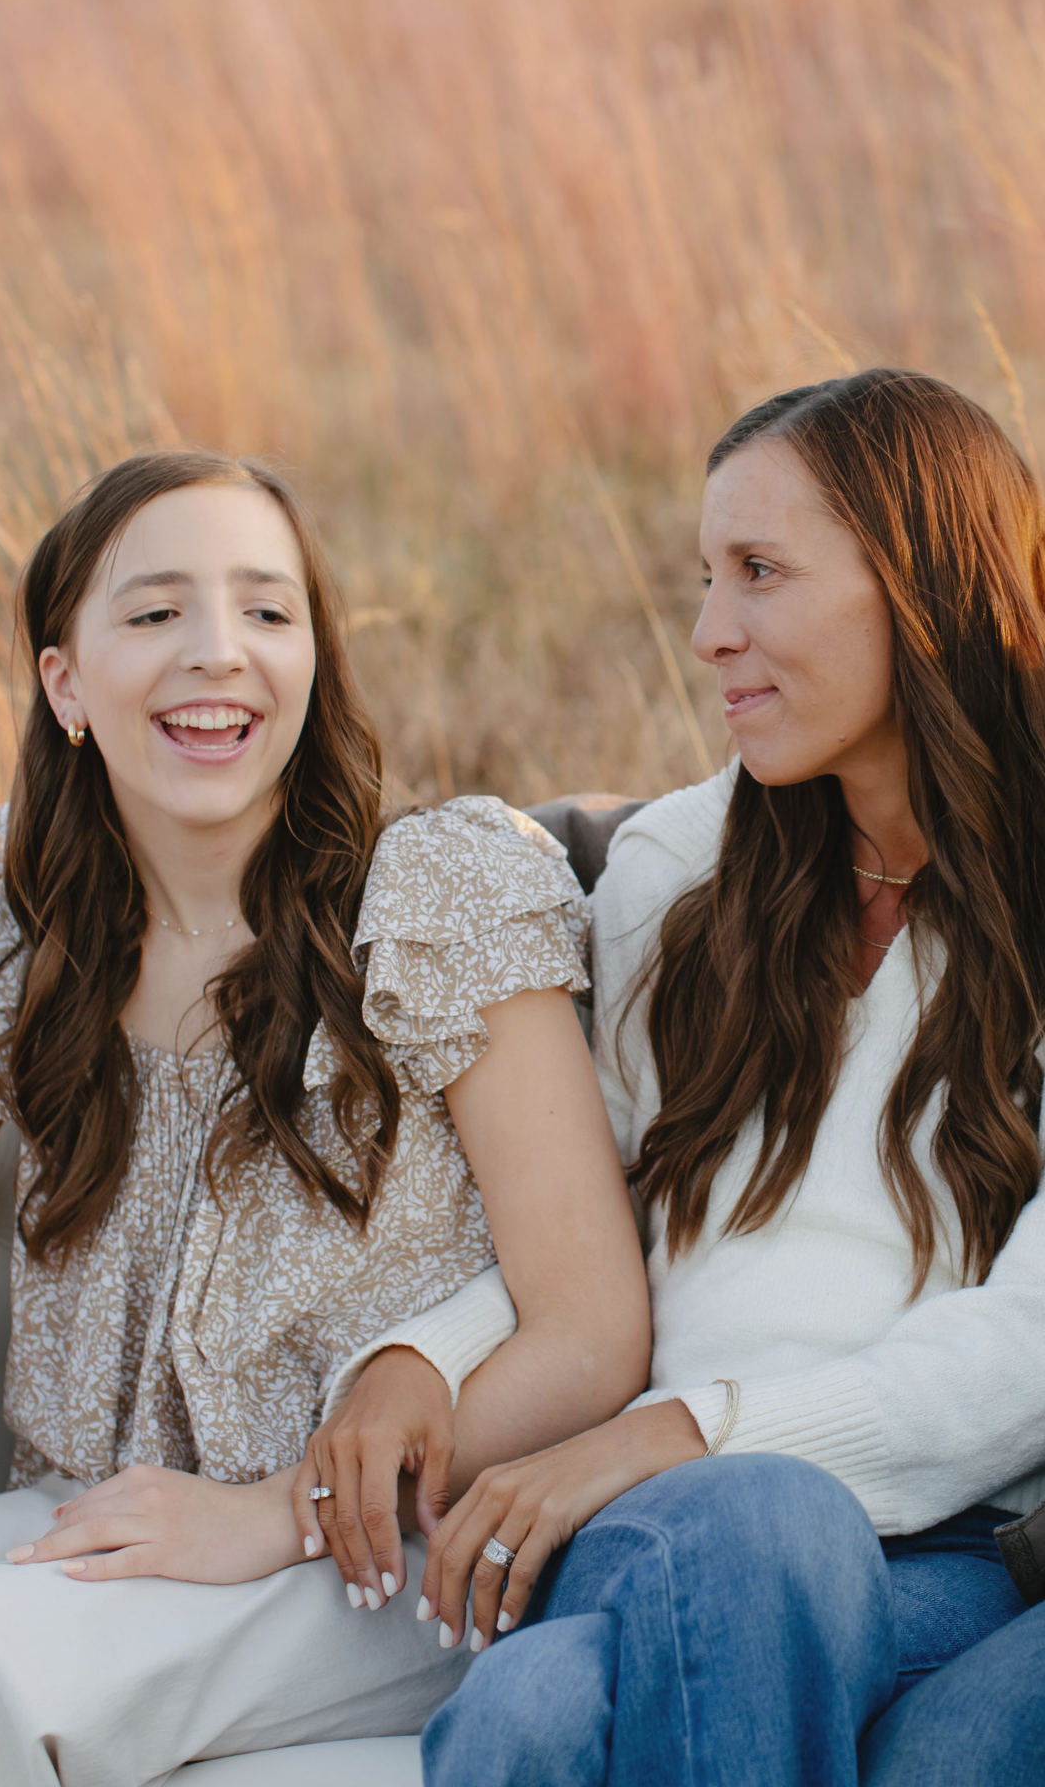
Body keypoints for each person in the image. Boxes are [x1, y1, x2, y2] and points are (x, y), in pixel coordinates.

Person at [0, 450, 650, 1787]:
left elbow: (593, 1327)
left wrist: (275, 1513)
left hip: (372, 1559)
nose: (219, 654)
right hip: (99, 1525)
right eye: (157, 613)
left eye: (268, 614)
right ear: (65, 685)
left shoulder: (435, 895)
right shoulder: (16, 912)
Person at [415, 369, 1045, 1785]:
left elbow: (1034, 1343)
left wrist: (697, 1427)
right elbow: (576, 1223)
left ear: (924, 583)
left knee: (529, 1721)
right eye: (705, 579)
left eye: (760, 574)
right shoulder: (675, 873)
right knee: (761, 1526)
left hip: (957, 1548)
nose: (709, 635)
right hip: (663, 1526)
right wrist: (418, 1362)